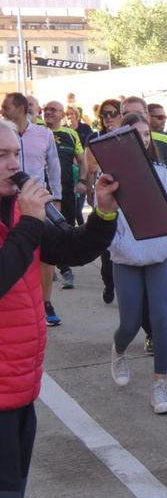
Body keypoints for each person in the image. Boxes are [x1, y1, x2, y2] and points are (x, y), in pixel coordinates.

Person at [0, 119, 119, 497]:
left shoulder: (18, 211)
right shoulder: (25, 217)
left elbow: (71, 247)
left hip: (20, 386)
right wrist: (30, 223)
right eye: (1, 155)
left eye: (15, 153)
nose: (14, 164)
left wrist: (103, 213)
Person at [109, 113, 167, 414]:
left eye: (145, 134)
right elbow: (103, 221)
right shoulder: (109, 177)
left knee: (160, 320)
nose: (141, 140)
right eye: (134, 134)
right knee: (129, 323)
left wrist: (164, 245)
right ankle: (118, 350)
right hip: (126, 258)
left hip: (159, 256)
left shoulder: (162, 174)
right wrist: (122, 245)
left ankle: (159, 386)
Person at [2, 92, 62, 326]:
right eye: (3, 155)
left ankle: (46, 301)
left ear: (21, 107)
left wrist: (56, 198)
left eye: (6, 106)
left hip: (36, 202)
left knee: (44, 256)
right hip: (16, 206)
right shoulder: (4, 131)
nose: (14, 165)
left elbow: (54, 168)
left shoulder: (44, 134)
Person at [43, 100, 88, 290]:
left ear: (62, 114)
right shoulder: (37, 131)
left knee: (64, 229)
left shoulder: (71, 134)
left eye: (53, 110)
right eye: (46, 109)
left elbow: (82, 160)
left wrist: (82, 181)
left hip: (66, 192)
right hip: (42, 192)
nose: (48, 112)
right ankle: (52, 267)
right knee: (42, 230)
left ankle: (63, 266)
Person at [86, 98, 122, 304]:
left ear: (121, 115)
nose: (108, 118)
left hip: (125, 191)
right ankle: (109, 282)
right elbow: (90, 166)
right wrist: (89, 190)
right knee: (107, 239)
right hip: (105, 192)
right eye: (104, 114)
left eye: (112, 113)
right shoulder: (95, 137)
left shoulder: (128, 135)